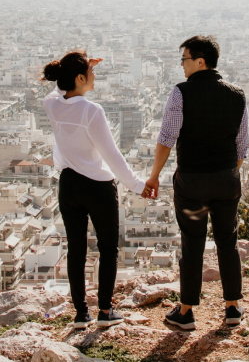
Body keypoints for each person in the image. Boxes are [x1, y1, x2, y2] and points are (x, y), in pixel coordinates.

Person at [143, 35, 248, 331]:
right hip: (227, 180)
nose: (182, 65)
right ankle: (233, 308)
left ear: (200, 61)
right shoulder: (237, 94)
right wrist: (226, 173)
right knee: (228, 241)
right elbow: (242, 147)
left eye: (185, 59)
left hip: (192, 183)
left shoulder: (181, 93)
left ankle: (186, 311)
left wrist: (154, 176)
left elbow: (167, 138)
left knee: (193, 243)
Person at [42, 51, 148, 329]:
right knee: (107, 248)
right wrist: (137, 185)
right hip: (98, 186)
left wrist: (78, 67)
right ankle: (105, 310)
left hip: (68, 184)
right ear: (79, 78)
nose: (95, 75)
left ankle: (80, 313)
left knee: (76, 249)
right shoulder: (92, 111)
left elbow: (57, 90)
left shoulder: (53, 106)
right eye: (90, 72)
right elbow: (112, 156)